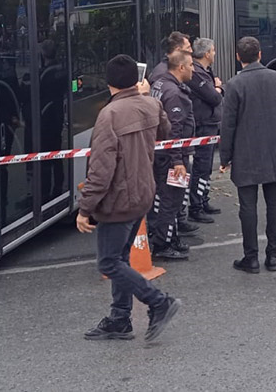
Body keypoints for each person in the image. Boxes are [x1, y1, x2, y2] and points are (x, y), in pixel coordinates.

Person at [77, 55, 182, 342]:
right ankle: (120, 318)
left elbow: (100, 170)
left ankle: (159, 302)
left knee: (109, 263)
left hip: (118, 200)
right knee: (121, 257)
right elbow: (165, 131)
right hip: (143, 193)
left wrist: (85, 208)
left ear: (108, 82)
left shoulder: (109, 115)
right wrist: (146, 96)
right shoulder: (151, 104)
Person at [219, 36, 276, 273]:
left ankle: (250, 257)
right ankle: (272, 256)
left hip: (246, 155)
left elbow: (228, 125)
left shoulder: (233, 85)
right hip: (274, 152)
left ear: (238, 57)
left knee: (247, 208)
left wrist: (225, 157)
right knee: (274, 205)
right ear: (260, 54)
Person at [148, 50, 196, 259]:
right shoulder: (174, 93)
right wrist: (178, 161)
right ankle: (163, 245)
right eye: (191, 65)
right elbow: (174, 131)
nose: (194, 69)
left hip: (162, 154)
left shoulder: (160, 85)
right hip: (172, 158)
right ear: (181, 67)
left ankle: (171, 237)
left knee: (167, 199)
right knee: (172, 200)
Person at [187, 37, 225, 222]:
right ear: (207, 53)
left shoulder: (206, 71)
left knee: (207, 166)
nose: (215, 54)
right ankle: (196, 206)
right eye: (214, 50)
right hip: (203, 125)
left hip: (210, 123)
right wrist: (217, 87)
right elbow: (214, 97)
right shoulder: (197, 73)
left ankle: (203, 199)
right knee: (201, 167)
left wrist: (216, 88)